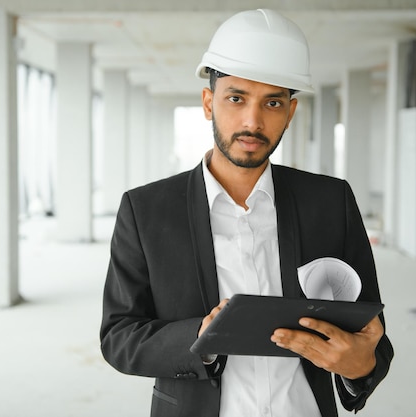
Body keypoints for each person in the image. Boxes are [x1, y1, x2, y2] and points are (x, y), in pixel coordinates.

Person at [100, 8, 393, 417]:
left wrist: (360, 366)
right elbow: (119, 336)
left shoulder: (330, 201)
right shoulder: (146, 210)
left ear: (290, 112)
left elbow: (371, 332)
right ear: (208, 102)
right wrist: (201, 338)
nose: (252, 121)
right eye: (236, 98)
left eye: (272, 102)